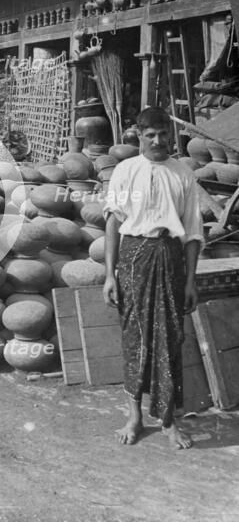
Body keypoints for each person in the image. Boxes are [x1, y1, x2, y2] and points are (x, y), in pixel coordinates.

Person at [103, 106, 203, 449]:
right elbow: (114, 223)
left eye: (163, 134)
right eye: (150, 135)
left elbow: (192, 234)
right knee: (135, 337)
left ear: (169, 135)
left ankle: (168, 420)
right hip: (133, 258)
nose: (158, 141)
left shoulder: (183, 174)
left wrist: (190, 281)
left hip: (170, 257)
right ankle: (134, 416)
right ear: (139, 135)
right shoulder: (125, 171)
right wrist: (109, 275)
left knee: (171, 338)